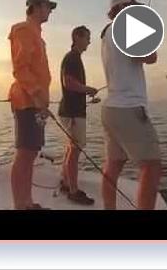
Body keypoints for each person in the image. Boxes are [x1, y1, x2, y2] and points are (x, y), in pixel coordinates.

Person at [100, 0, 162, 210]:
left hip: (111, 109)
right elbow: (149, 56)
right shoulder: (127, 25)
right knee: (151, 166)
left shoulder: (106, 33)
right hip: (129, 109)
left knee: (113, 165)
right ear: (126, 7)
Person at [8, 0, 56, 210]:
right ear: (37, 7)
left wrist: (43, 101)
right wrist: (37, 95)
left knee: (31, 153)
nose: (50, 11)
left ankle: (27, 203)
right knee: (25, 153)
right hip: (28, 101)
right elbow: (20, 68)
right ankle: (20, 205)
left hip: (36, 103)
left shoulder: (36, 34)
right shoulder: (24, 30)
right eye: (48, 7)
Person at [58, 26, 99, 205]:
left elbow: (72, 85)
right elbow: (69, 83)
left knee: (71, 149)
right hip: (73, 113)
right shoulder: (72, 58)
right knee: (74, 151)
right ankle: (73, 191)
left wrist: (85, 93)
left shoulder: (73, 58)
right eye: (87, 38)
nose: (89, 41)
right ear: (77, 37)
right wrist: (88, 89)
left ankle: (67, 183)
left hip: (71, 111)